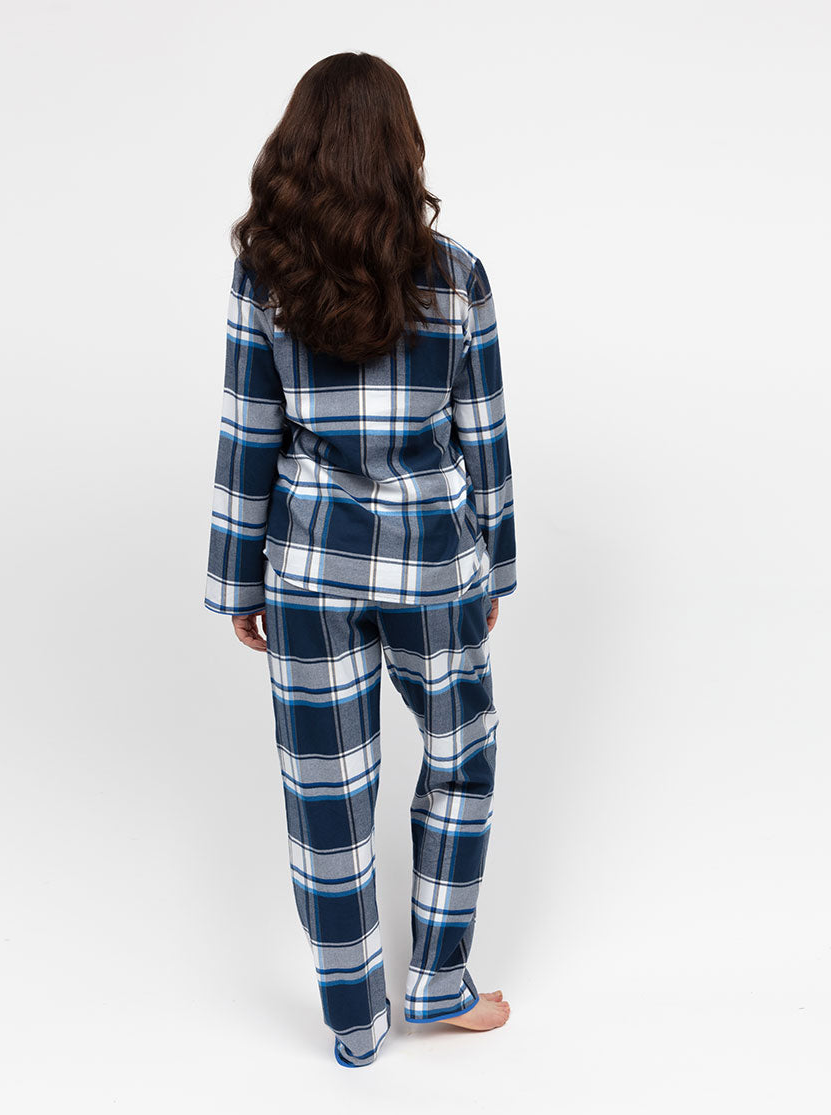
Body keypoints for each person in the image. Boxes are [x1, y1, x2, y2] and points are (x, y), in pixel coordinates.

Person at [203, 51, 517, 1067]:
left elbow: (249, 431)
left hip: (306, 565)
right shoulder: (457, 274)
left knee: (326, 794)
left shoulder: (267, 275)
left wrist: (237, 578)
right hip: (433, 561)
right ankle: (439, 981)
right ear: (402, 148)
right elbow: (484, 436)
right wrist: (494, 566)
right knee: (461, 758)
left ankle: (353, 1021)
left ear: (298, 150)